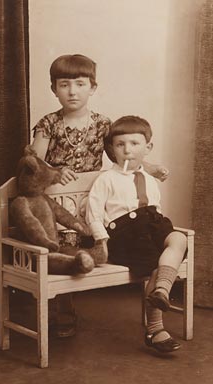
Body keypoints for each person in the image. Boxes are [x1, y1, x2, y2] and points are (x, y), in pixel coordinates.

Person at [31, 54, 169, 337]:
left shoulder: (102, 124)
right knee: (65, 250)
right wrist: (54, 172)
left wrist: (151, 167)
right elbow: (33, 163)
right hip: (60, 201)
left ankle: (153, 303)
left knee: (94, 244)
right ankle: (64, 312)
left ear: (92, 88)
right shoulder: (48, 123)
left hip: (93, 198)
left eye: (80, 84)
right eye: (64, 84)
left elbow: (122, 158)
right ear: (54, 89)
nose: (72, 91)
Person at [85, 115, 187, 353]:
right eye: (120, 145)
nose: (127, 150)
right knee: (154, 264)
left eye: (134, 144)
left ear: (148, 148)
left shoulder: (149, 179)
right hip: (125, 233)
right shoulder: (106, 179)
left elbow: (156, 209)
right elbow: (94, 214)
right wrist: (101, 241)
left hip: (151, 224)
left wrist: (159, 228)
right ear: (112, 149)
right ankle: (155, 329)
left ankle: (161, 289)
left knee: (179, 238)